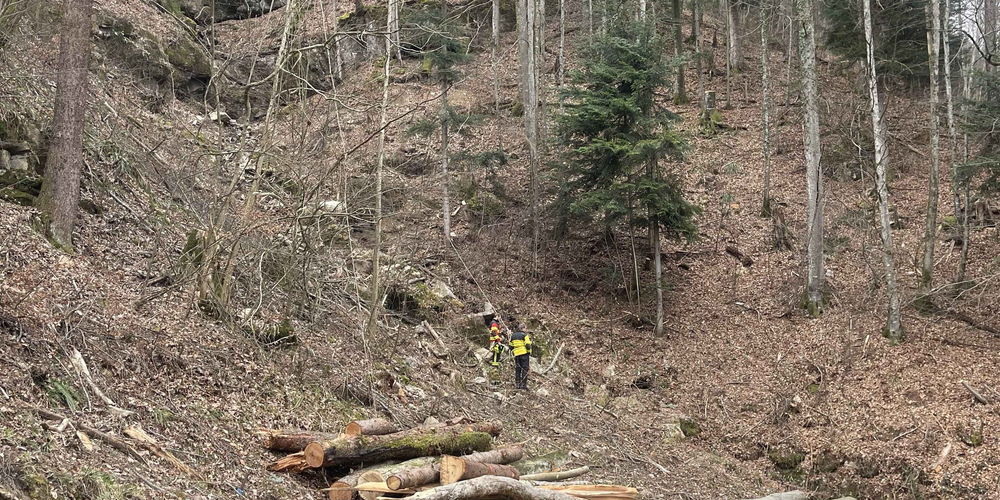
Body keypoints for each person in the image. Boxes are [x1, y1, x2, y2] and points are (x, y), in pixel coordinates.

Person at [509, 323, 532, 390]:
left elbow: (510, 346)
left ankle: (517, 384)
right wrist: (529, 351)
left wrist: (514, 351)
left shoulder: (513, 336)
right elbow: (528, 345)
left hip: (517, 355)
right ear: (523, 328)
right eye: (525, 328)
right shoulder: (525, 335)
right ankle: (523, 385)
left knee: (518, 369)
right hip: (524, 354)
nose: (526, 329)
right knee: (525, 369)